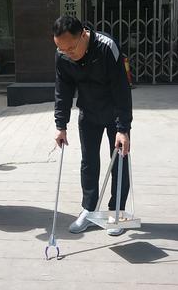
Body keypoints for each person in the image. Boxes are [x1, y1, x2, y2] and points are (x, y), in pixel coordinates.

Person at [52, 15, 133, 236]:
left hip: (115, 113)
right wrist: (61, 125)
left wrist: (123, 129)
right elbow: (63, 91)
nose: (68, 53)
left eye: (71, 47)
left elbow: (122, 89)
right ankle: (88, 210)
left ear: (83, 34)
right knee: (88, 162)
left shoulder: (107, 47)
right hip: (88, 113)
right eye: (62, 49)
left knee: (118, 161)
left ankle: (117, 211)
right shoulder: (63, 54)